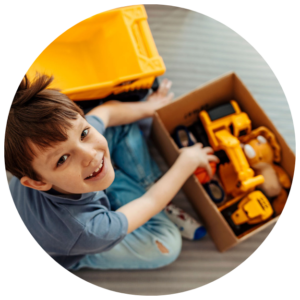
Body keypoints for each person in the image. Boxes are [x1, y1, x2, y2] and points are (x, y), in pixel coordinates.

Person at [5, 73, 219, 271]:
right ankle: (148, 186)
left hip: (72, 199)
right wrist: (186, 163)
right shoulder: (88, 231)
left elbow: (106, 112)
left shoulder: (53, 147)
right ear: (37, 183)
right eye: (62, 159)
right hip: (77, 245)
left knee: (121, 125)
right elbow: (151, 202)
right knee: (167, 245)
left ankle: (132, 183)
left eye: (84, 133)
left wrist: (149, 107)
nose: (89, 154)